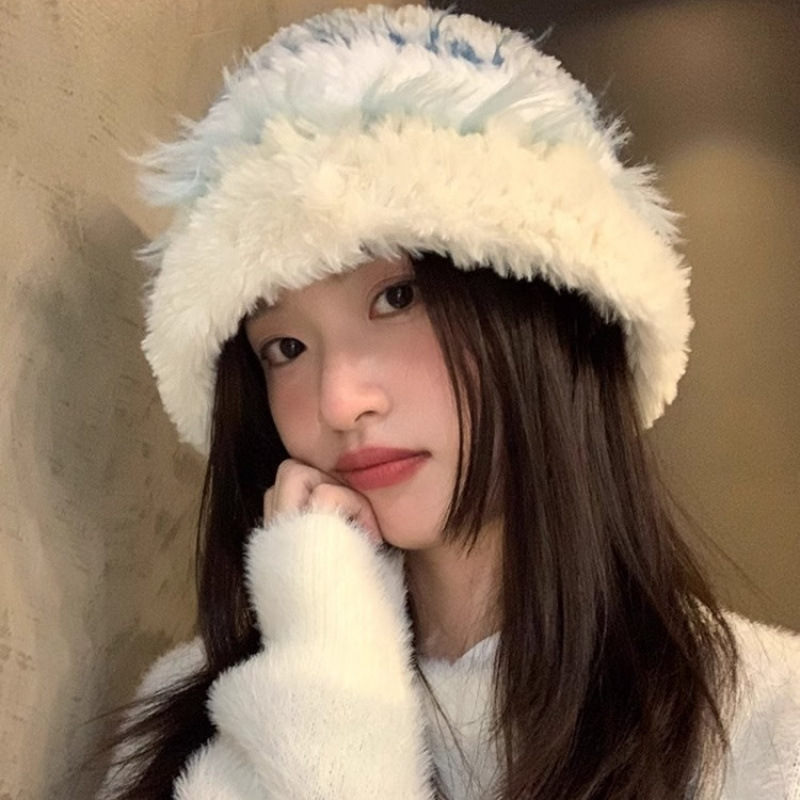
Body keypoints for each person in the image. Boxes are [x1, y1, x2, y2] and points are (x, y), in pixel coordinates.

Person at [97, 5, 800, 800]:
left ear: (545, 311)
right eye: (283, 348)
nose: (339, 401)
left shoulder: (772, 725)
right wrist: (324, 672)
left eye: (397, 297)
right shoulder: (191, 723)